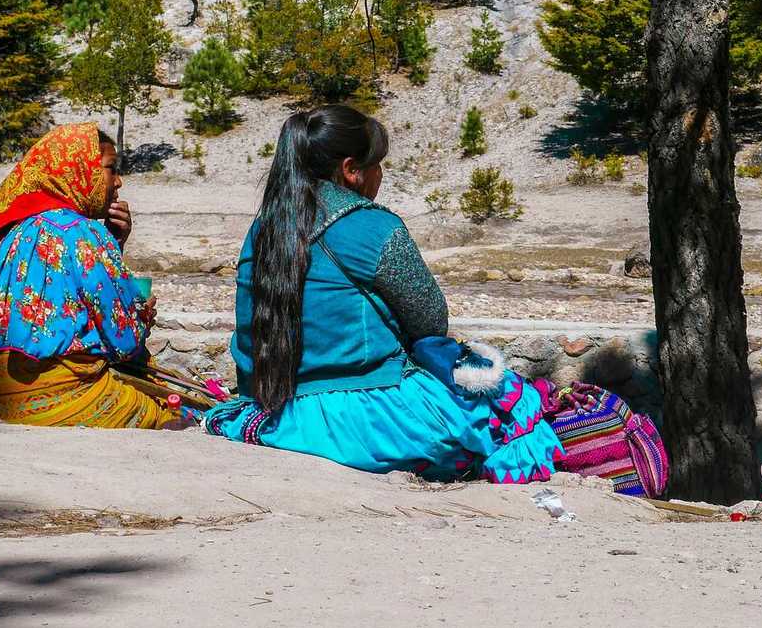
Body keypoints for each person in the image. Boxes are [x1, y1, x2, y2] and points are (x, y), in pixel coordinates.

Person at [202, 105, 563, 483]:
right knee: (512, 403)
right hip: (364, 418)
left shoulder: (262, 230)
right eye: (376, 164)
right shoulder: (375, 227)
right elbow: (430, 321)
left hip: (272, 414)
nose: (380, 175)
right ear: (351, 170)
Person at [0, 123, 179, 428]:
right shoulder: (80, 233)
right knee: (173, 415)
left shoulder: (0, 234)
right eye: (110, 169)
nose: (118, 182)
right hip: (53, 401)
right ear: (80, 172)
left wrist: (114, 245)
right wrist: (142, 314)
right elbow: (123, 340)